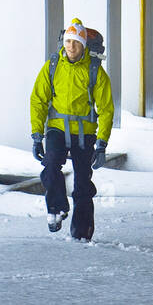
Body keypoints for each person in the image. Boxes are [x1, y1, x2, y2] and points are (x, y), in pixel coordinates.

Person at [29, 17, 114, 241]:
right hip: (57, 129)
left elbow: (106, 109)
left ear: (84, 45)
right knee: (50, 166)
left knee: (83, 182)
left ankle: (82, 232)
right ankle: (56, 208)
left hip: (84, 132)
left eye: (76, 42)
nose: (71, 47)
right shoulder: (53, 66)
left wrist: (102, 143)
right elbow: (38, 99)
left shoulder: (95, 71)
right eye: (68, 41)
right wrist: (37, 136)